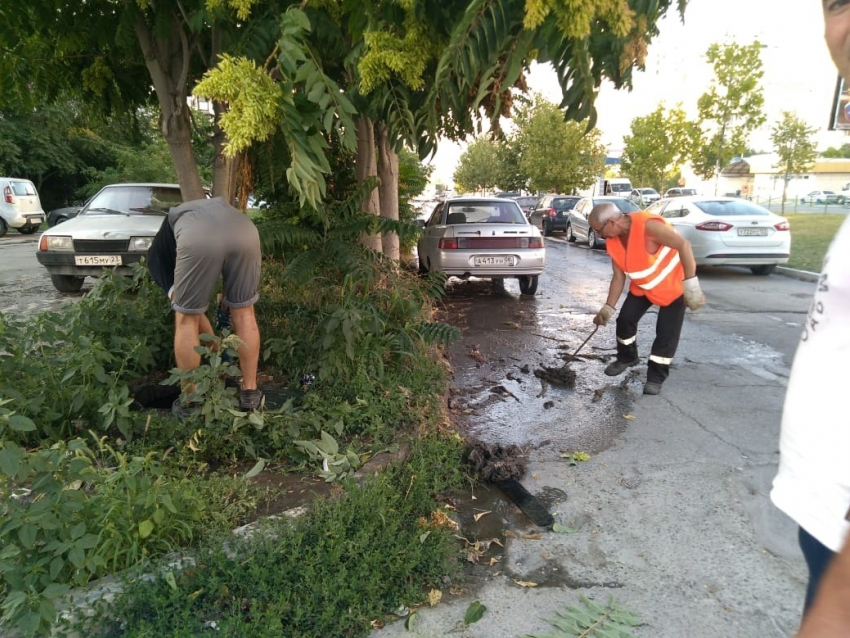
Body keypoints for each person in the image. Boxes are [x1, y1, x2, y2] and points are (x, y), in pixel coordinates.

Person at [769, 3, 850, 634]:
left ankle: (652, 372)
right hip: (824, 514)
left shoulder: (651, 223)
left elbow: (676, 254)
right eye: (838, 1)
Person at [147, 196, 263, 415]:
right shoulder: (192, 213)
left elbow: (192, 315)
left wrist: (214, 351)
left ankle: (190, 401)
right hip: (244, 230)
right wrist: (215, 350)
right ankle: (250, 392)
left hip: (198, 236)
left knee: (186, 320)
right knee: (245, 314)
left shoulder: (157, 259)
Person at [587, 202, 705, 395]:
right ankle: (627, 357)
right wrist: (608, 307)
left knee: (666, 334)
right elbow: (618, 276)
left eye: (600, 231)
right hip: (644, 287)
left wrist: (691, 284)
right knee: (625, 320)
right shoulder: (613, 241)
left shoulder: (648, 226)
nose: (600, 236)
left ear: (611, 223)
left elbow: (683, 245)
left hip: (673, 286)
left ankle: (655, 378)